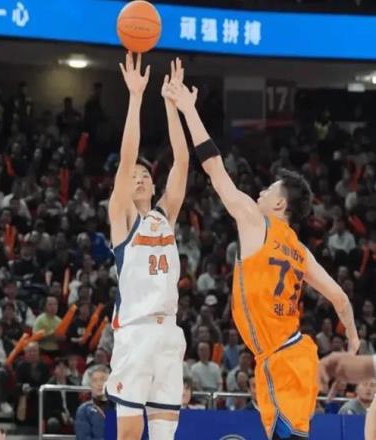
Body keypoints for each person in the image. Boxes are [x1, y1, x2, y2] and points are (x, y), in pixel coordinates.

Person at [164, 76, 359, 440]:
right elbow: (340, 298)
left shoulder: (256, 222)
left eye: (268, 190)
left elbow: (214, 168)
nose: (260, 192)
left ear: (280, 204)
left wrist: (189, 109)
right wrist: (352, 340)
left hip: (280, 357)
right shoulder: (300, 251)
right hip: (298, 354)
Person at [104, 54, 189, 440]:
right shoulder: (122, 217)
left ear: (154, 185)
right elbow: (126, 160)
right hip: (135, 332)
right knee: (128, 433)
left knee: (164, 435)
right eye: (133, 176)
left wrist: (171, 105)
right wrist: (136, 98)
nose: (138, 178)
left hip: (168, 331)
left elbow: (182, 161)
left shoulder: (165, 215)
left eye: (144, 175)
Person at [319, 353, 376, 440]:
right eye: (365, 384)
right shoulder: (348, 409)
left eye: (372, 385)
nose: (368, 389)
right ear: (356, 388)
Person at [74, 365, 113, 440]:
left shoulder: (116, 407)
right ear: (91, 385)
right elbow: (83, 437)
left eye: (103, 380)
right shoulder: (84, 411)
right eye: (95, 381)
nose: (99, 384)